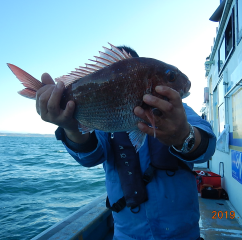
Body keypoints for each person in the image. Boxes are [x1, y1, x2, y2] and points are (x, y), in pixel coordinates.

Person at [36, 46, 216, 240]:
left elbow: (207, 147)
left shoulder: (178, 112)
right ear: (147, 82)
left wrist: (184, 134)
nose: (180, 81)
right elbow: (90, 157)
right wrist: (70, 127)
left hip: (183, 234)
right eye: (172, 77)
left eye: (171, 76)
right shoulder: (104, 122)